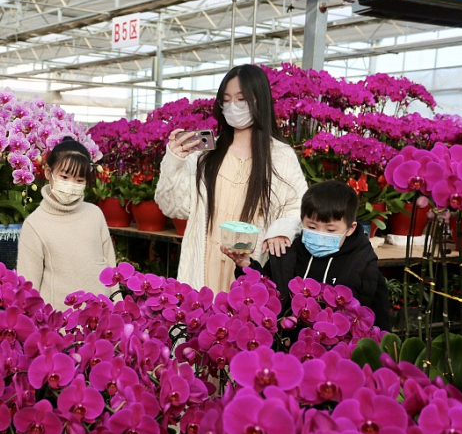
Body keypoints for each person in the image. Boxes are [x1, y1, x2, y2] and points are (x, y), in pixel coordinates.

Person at [155, 64, 308, 294]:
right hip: (205, 268)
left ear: (260, 101)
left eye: (241, 99)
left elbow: (297, 206)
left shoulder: (280, 156)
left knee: (244, 312)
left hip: (250, 267)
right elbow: (173, 207)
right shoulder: (205, 154)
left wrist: (281, 230)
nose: (233, 106)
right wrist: (174, 163)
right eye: (226, 100)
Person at [221, 180, 392, 331]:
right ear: (301, 221)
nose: (320, 234)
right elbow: (267, 289)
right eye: (311, 227)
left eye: (330, 230)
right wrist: (246, 265)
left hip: (337, 351)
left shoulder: (362, 263)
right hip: (287, 347)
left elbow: (378, 318)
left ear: (351, 228)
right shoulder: (287, 253)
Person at [17, 137, 117, 307]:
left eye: (79, 180)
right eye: (64, 176)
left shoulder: (95, 215)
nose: (71, 185)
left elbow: (111, 268)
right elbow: (28, 286)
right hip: (59, 319)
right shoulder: (34, 225)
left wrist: (118, 306)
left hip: (101, 316)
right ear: (48, 172)